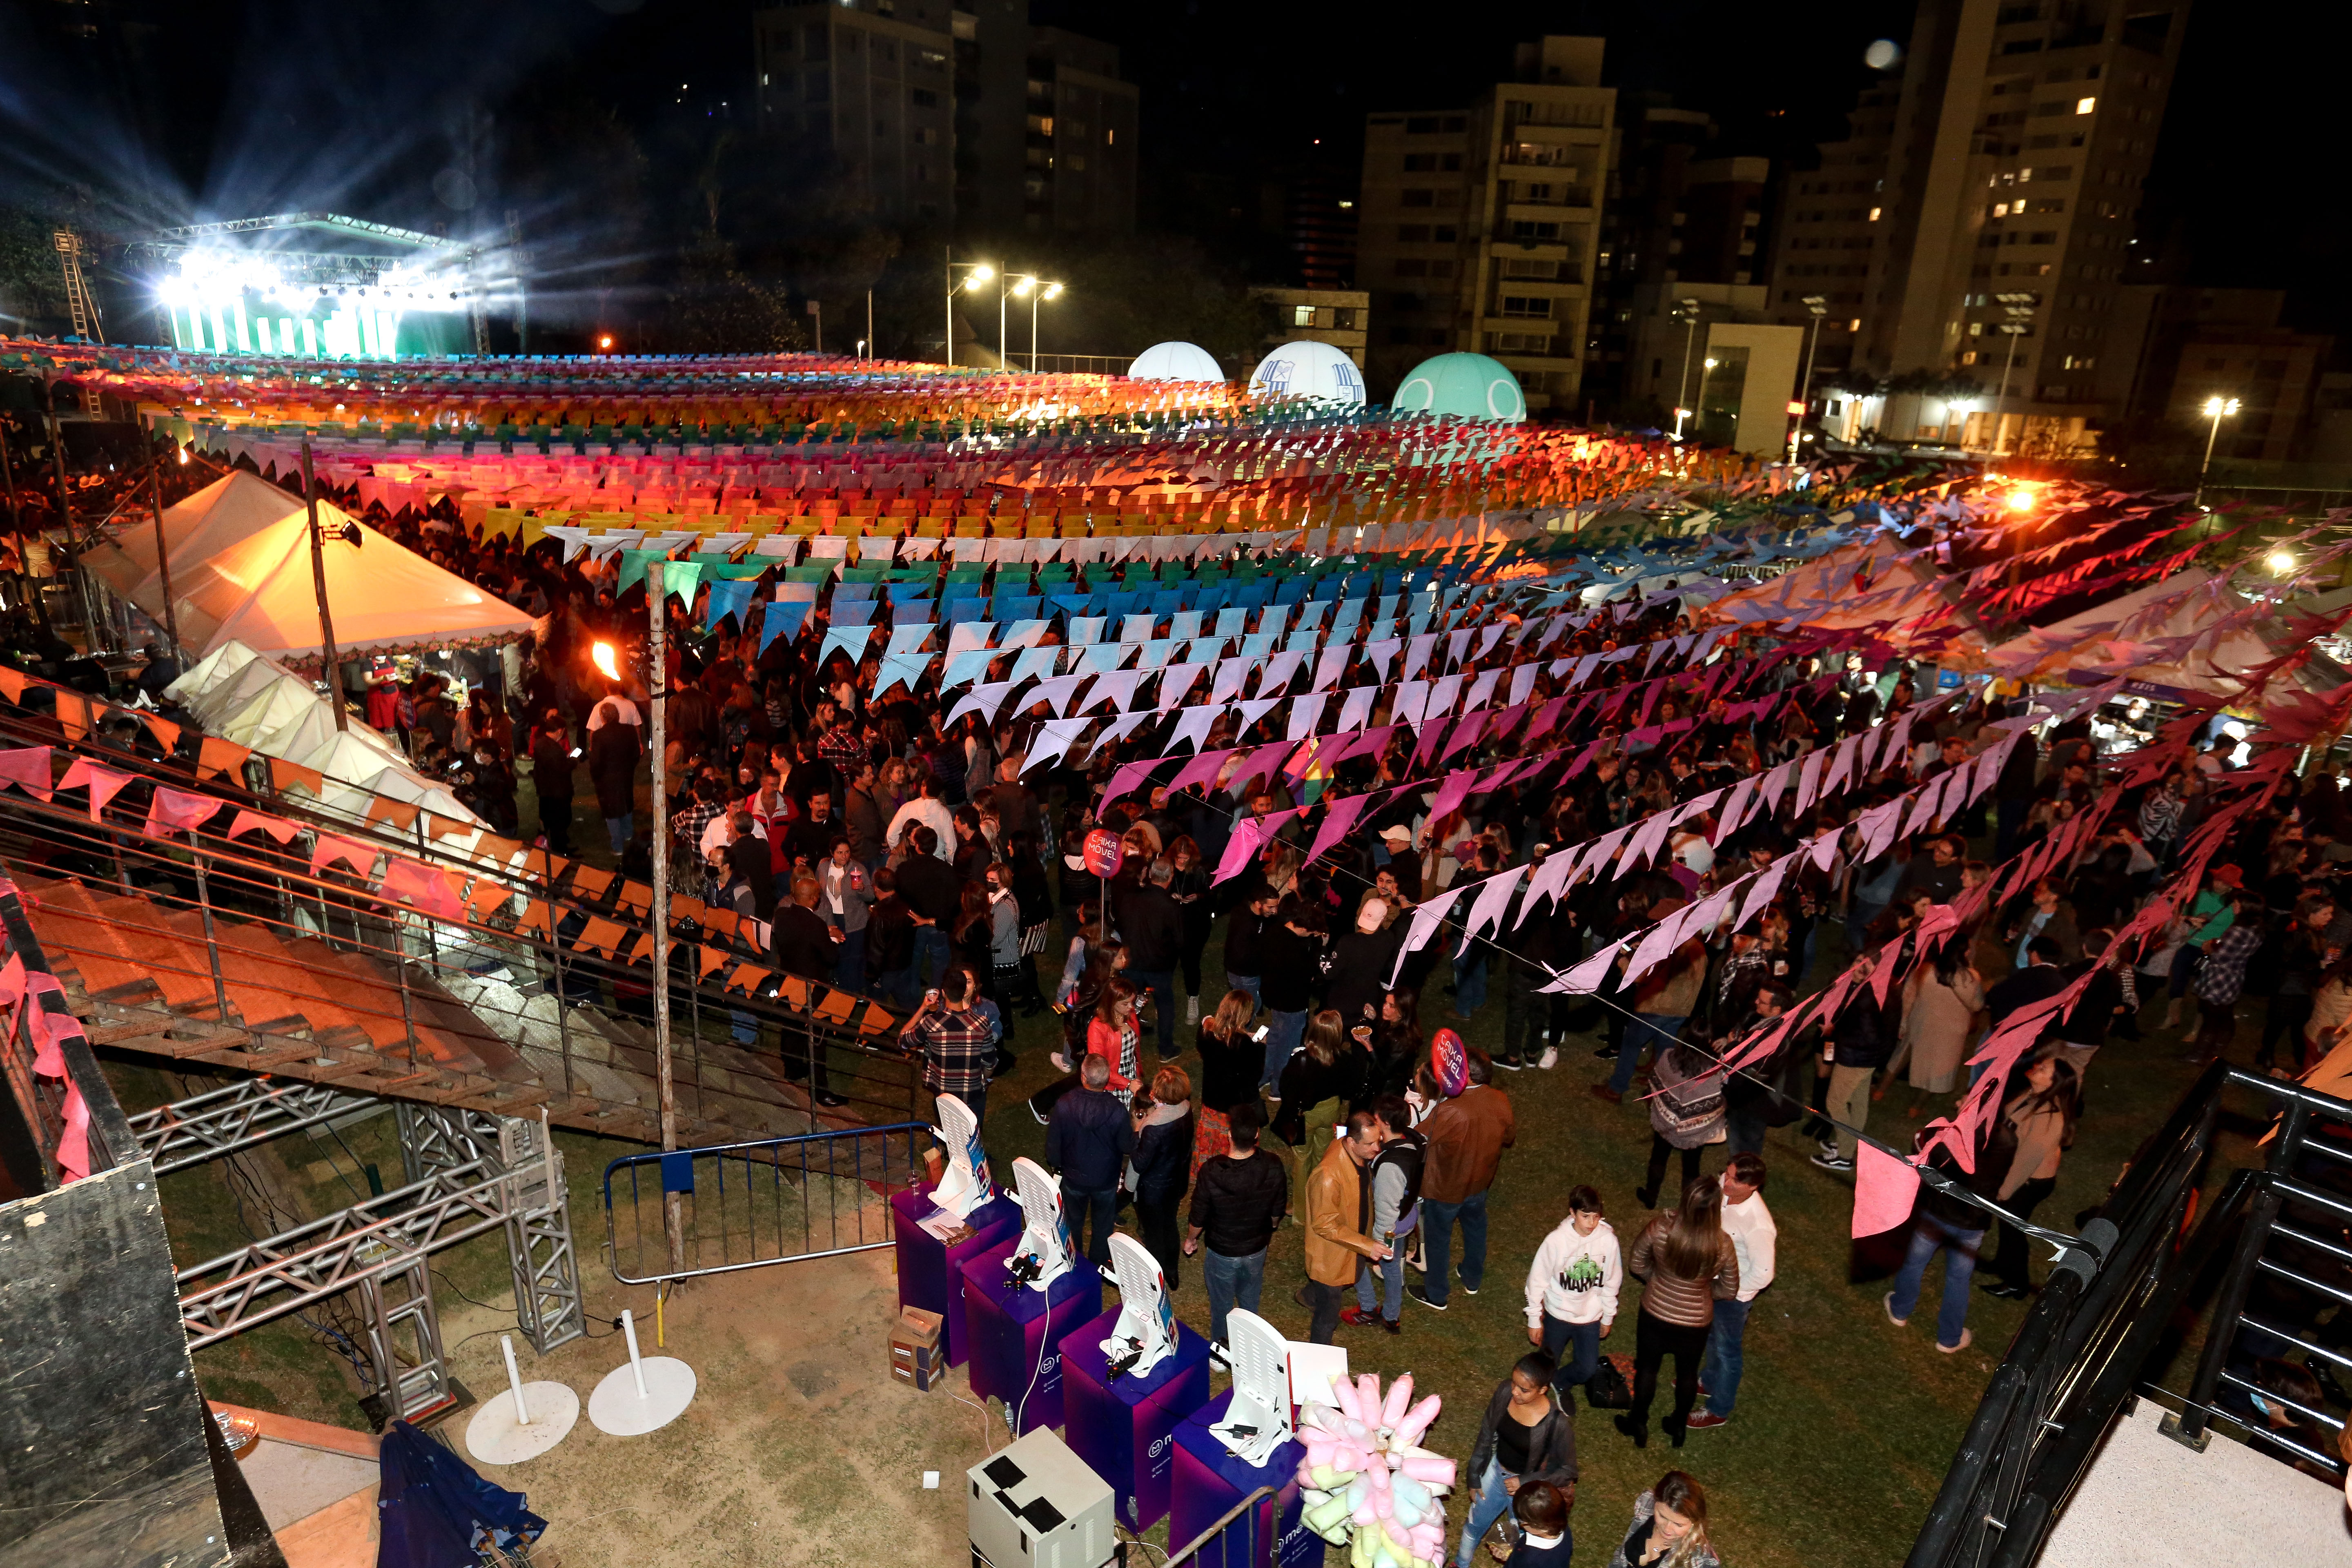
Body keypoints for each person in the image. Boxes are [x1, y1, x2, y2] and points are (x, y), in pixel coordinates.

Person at [1887, 1090, 2019, 1354]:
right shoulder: (2009, 1140)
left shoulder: (1948, 1136)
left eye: (1966, 1101)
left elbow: (1919, 1153)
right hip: (1973, 1222)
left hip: (1936, 1214)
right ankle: (1949, 1338)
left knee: (1915, 1263)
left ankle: (1900, 1310)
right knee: (1959, 1278)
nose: (1959, 1102)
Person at [1618, 1176, 1739, 1449]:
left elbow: (1637, 1264)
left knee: (1648, 1369)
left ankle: (1638, 1422)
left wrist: (1656, 1282)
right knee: (1687, 1374)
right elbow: (1729, 1290)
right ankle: (1678, 1426)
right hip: (1696, 1322)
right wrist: (1703, 1295)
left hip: (1655, 1313)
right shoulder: (1722, 1244)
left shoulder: (1660, 1229)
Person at [1412, 1049, 1516, 1312]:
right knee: (1476, 1228)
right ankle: (1472, 1277)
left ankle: (1436, 1294)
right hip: (1480, 1183)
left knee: (1437, 1239)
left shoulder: (1451, 1110)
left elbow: (1417, 1139)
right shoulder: (1500, 1100)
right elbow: (1509, 1137)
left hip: (1446, 1188)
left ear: (1466, 1077)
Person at [1456, 1352, 1580, 1568]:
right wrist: (1474, 1475)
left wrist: (1523, 1481)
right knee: (1474, 1525)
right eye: (1514, 1383)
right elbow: (1487, 1432)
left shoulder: (1557, 1424)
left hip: (1528, 1493)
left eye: (1524, 1390)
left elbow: (1569, 1470)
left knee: (1519, 1537)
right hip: (1495, 1473)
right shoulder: (1505, 1392)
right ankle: (1460, 1564)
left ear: (1542, 1390)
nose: (1515, 1392)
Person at [1979, 1050, 2081, 1299]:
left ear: (2053, 1083)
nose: (2037, 1068)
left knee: (2013, 1228)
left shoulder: (2049, 1116)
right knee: (2007, 1225)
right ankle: (2001, 1265)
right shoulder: (2034, 1095)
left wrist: (2005, 1190)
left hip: (2030, 1181)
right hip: (2019, 1174)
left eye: (2044, 1069)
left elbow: (2029, 1159)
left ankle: (2017, 1283)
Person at [1185, 1102, 1290, 1345]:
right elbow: (1278, 1209)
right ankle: (1249, 1346)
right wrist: (1271, 1225)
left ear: (1229, 1135)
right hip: (1256, 1248)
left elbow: (1198, 1215)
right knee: (1250, 1298)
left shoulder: (1212, 1171)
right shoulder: (1273, 1165)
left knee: (1221, 1303)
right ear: (1256, 1135)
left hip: (1222, 1251)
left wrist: (1191, 1240)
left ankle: (1221, 1351)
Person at [1688, 1151, 1775, 1430]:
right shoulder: (1726, 1191)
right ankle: (1709, 1381)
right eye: (1727, 1173)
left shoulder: (1759, 1225)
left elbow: (1763, 1274)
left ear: (1753, 1186)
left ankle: (1719, 1409)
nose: (1726, 1182)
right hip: (1715, 1284)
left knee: (1728, 1352)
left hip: (1733, 1297)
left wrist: (1731, 1291)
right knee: (1712, 1337)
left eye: (1735, 1180)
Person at [1525, 1184, 1623, 1404]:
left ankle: (1559, 1382)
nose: (1592, 1223)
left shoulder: (1608, 1241)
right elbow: (1537, 1280)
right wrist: (1534, 1318)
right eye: (1585, 1216)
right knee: (1547, 1364)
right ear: (1572, 1212)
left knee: (1587, 1369)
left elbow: (1612, 1281)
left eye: (1596, 1217)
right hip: (1558, 1315)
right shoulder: (1556, 1241)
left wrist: (1608, 1316)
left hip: (1590, 1317)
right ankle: (1537, 1402)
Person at [1302, 1111, 1391, 1344]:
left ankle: (1309, 1295)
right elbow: (1324, 1223)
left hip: (1349, 1245)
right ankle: (1319, 1357)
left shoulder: (1355, 1154)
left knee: (1345, 1280)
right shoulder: (1328, 1176)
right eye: (1370, 1144)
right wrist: (1367, 1245)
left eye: (1379, 1140)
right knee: (1327, 1318)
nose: (1377, 1148)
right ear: (1351, 1142)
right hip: (1330, 1259)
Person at [1045, 1052, 1135, 1267]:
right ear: (1105, 1080)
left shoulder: (1065, 1104)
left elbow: (1053, 1144)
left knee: (1073, 1221)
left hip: (1074, 1177)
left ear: (1083, 1077)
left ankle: (1073, 1260)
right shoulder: (1116, 1110)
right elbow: (1126, 1146)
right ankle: (1097, 1264)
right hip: (1105, 1179)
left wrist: (1057, 1164)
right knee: (1103, 1224)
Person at [1346, 1093, 1423, 1335]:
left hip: (1391, 1226)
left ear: (1385, 1124)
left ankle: (1369, 1308)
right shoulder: (1414, 1139)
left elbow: (1387, 1209)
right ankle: (1392, 1316)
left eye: (1375, 1119)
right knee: (1393, 1270)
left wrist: (1378, 1244)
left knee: (1356, 1258)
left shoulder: (1390, 1166)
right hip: (1407, 1217)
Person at [901, 963, 995, 1138]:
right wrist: (985, 1078)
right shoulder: (982, 1024)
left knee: (950, 1135)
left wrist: (923, 1008)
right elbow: (990, 1062)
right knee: (974, 1136)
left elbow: (903, 1040)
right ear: (964, 991)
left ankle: (950, 1153)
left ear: (943, 993)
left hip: (944, 1096)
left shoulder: (931, 1023)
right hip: (973, 1094)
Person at [1638, 1042, 1724, 1209]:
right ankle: (1688, 1207)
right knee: (1691, 1166)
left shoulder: (1671, 1058)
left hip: (1666, 1120)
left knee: (1659, 1157)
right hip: (1695, 1128)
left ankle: (1651, 1195)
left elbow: (1657, 1080)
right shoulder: (1713, 1074)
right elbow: (1718, 1100)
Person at [1131, 1064, 1195, 1286]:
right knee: (1170, 1225)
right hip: (1177, 1182)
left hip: (1154, 1190)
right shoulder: (1187, 1109)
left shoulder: (1153, 1124)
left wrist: (1137, 1132)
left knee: (1154, 1234)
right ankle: (1172, 1273)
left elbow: (1139, 1162)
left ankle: (1156, 1279)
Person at [1191, 990, 1262, 1180]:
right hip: (1234, 1105)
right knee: (1231, 1143)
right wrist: (1260, 1047)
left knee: (1211, 1143)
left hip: (1212, 1099)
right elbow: (1254, 1075)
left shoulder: (1206, 1032)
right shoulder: (1243, 1043)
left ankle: (1208, 1175)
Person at [1603, 1472, 1720, 1568]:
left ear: (1695, 1522)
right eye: (1662, 1516)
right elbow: (1621, 1555)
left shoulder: (1700, 1559)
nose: (1667, 1529)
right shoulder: (1646, 1505)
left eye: (1679, 1525)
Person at [587, 696, 640, 854]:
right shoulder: (629, 730)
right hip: (625, 775)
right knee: (626, 802)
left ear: (603, 717)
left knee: (611, 810)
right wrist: (630, 768)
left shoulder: (599, 736)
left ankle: (618, 846)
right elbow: (636, 753)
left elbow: (596, 761)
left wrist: (596, 776)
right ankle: (629, 833)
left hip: (607, 779)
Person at [529, 712, 576, 855]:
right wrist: (573, 761)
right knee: (560, 821)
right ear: (560, 731)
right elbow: (562, 769)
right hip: (558, 792)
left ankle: (562, 845)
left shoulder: (541, 742)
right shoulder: (552, 749)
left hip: (547, 790)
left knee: (553, 820)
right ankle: (561, 851)